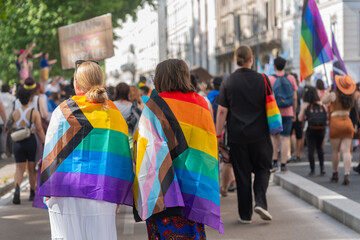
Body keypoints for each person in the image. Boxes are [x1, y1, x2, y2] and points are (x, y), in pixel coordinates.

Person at [37, 60, 134, 239]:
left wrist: (48, 189)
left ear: (76, 82)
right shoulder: (113, 113)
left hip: (65, 191)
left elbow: (51, 152)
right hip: (101, 192)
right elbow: (121, 157)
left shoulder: (63, 110)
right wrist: (116, 191)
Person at [133, 59, 223, 238]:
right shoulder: (202, 104)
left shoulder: (155, 105)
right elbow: (208, 145)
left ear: (161, 78)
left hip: (165, 189)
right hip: (194, 185)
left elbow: (144, 148)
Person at [216, 45, 273, 223]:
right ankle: (261, 202)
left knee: (242, 174)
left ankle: (245, 215)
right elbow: (270, 106)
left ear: (235, 60)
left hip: (237, 136)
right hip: (260, 134)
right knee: (263, 168)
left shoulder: (228, 82)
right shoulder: (263, 79)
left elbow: (222, 112)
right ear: (251, 60)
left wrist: (218, 136)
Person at [7, 88, 45, 204]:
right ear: (30, 99)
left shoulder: (15, 112)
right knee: (32, 167)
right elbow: (39, 129)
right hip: (30, 141)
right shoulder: (34, 112)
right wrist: (45, 142)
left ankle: (17, 189)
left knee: (19, 168)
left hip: (18, 142)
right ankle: (32, 192)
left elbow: (8, 126)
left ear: (18, 99)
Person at [322, 75, 356, 185]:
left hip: (335, 123)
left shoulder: (333, 95)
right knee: (346, 151)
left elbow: (323, 101)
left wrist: (327, 91)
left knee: (335, 151)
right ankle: (347, 174)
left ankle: (335, 173)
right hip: (347, 122)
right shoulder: (351, 96)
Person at [269, 57, 297, 172]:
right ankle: (284, 163)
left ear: (274, 66)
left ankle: (275, 161)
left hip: (275, 113)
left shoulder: (270, 79)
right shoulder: (291, 78)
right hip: (288, 112)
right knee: (285, 138)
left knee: (274, 137)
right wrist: (294, 112)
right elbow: (295, 97)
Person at [298, 87, 327, 176]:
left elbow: (300, 118)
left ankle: (312, 170)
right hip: (321, 128)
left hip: (310, 129)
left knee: (311, 149)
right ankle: (322, 168)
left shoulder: (305, 105)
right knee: (319, 148)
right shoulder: (321, 104)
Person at [291, 73, 304, 162]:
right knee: (299, 134)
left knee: (291, 134)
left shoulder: (288, 89)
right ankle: (298, 153)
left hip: (289, 113)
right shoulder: (301, 90)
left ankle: (294, 152)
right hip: (299, 113)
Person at [0, 84, 15, 158]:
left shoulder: (0, 95)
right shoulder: (12, 97)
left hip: (2, 119)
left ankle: (3, 153)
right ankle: (10, 152)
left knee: (4, 135)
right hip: (7, 119)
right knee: (7, 135)